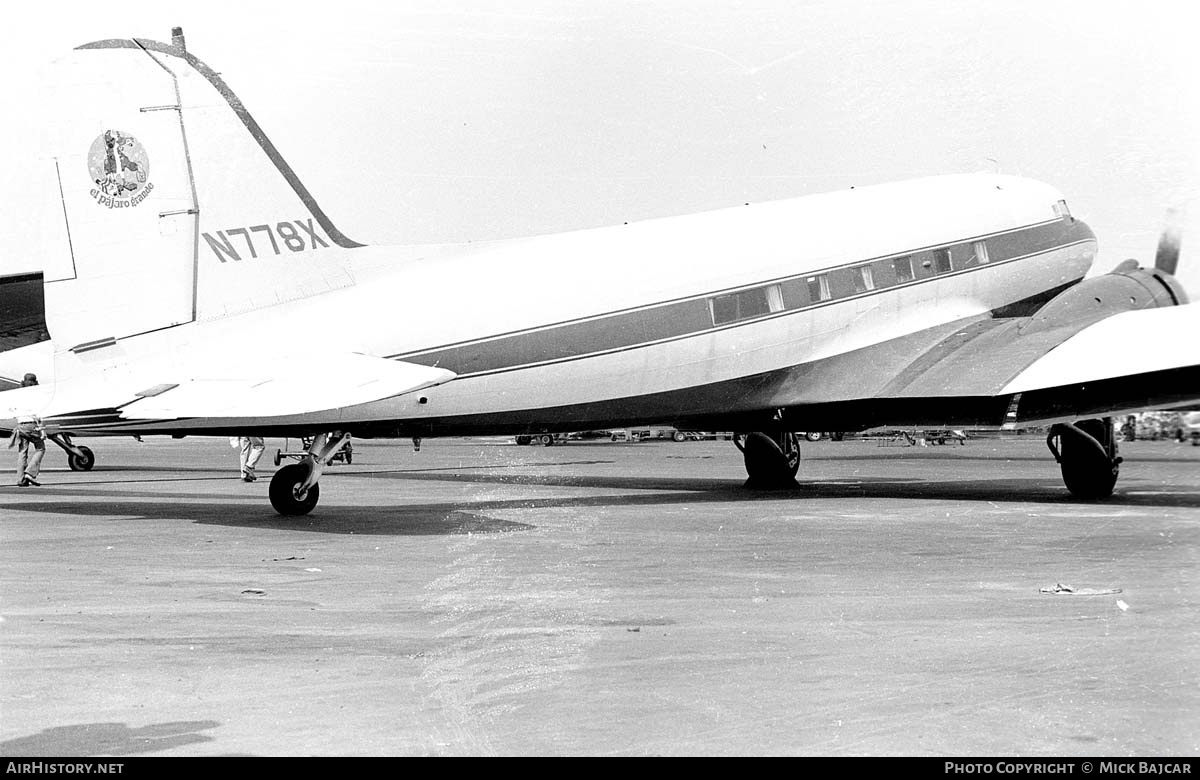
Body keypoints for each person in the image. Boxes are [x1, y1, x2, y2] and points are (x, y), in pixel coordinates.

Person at [10, 373, 46, 486]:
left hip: (20, 426)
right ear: (35, 383)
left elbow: (13, 410)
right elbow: (38, 414)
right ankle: (30, 473)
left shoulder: (17, 395)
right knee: (40, 448)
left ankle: (21, 480)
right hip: (31, 425)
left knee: (22, 452)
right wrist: (42, 430)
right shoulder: (36, 395)